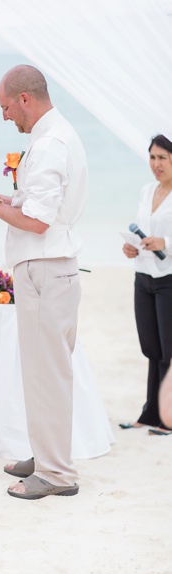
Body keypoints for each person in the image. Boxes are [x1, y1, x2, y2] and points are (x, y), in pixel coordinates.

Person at [0, 65, 88, 499]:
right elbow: (41, 204)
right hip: (51, 268)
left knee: (48, 376)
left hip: (46, 267)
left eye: (6, 107)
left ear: (25, 99)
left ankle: (57, 475)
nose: (5, 116)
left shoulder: (49, 144)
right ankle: (45, 457)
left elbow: (39, 222)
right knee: (44, 372)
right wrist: (8, 198)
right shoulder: (53, 136)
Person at [120, 134, 172, 436]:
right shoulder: (146, 190)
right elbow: (142, 231)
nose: (156, 164)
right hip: (143, 277)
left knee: (169, 351)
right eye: (152, 157)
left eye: (162, 158)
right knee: (151, 348)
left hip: (168, 280)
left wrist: (166, 243)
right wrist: (131, 249)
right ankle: (150, 413)